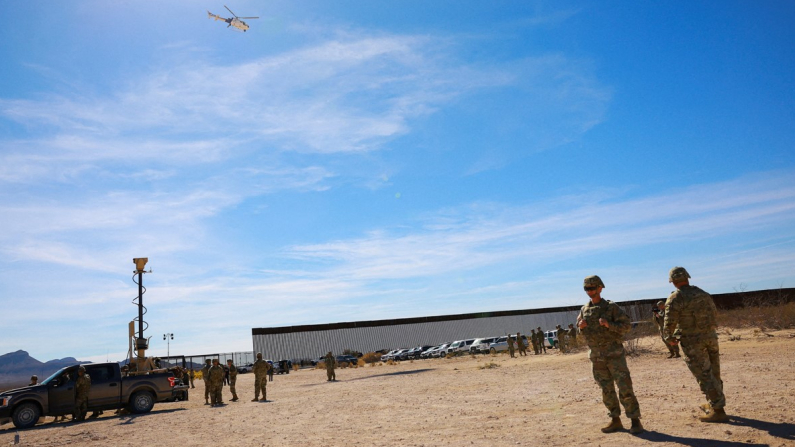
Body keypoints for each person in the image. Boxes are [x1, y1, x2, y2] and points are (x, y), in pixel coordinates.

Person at [577, 275, 643, 434]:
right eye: (587, 288)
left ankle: (635, 421)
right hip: (597, 357)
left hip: (614, 355)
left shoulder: (611, 307)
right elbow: (580, 332)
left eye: (593, 288)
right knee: (606, 389)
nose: (590, 291)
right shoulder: (584, 309)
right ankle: (615, 420)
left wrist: (609, 324)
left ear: (600, 288)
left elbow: (627, 326)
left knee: (624, 386)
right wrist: (581, 327)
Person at [664, 266, 727, 423]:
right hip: (710, 337)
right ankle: (714, 404)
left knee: (704, 375)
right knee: (714, 372)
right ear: (687, 278)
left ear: (673, 282)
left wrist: (670, 338)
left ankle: (718, 410)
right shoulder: (703, 294)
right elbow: (714, 314)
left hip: (693, 341)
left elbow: (669, 321)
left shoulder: (676, 297)